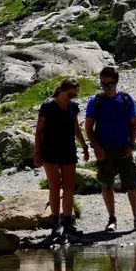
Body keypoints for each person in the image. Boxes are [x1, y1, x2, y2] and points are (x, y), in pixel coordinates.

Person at [84, 66, 136, 233]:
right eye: (103, 84)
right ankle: (112, 219)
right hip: (104, 150)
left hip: (124, 148)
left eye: (109, 84)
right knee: (107, 185)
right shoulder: (95, 102)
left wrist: (131, 145)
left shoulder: (126, 100)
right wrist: (96, 147)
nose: (106, 87)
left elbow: (134, 124)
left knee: (132, 183)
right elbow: (89, 127)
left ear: (116, 82)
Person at [34, 78, 87, 241]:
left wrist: (84, 146)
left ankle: (68, 223)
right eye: (71, 94)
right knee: (55, 187)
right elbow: (39, 131)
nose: (73, 98)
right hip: (50, 150)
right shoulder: (48, 106)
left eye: (75, 95)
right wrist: (37, 152)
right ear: (62, 91)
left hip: (68, 150)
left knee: (69, 187)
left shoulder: (73, 107)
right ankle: (55, 223)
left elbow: (76, 129)